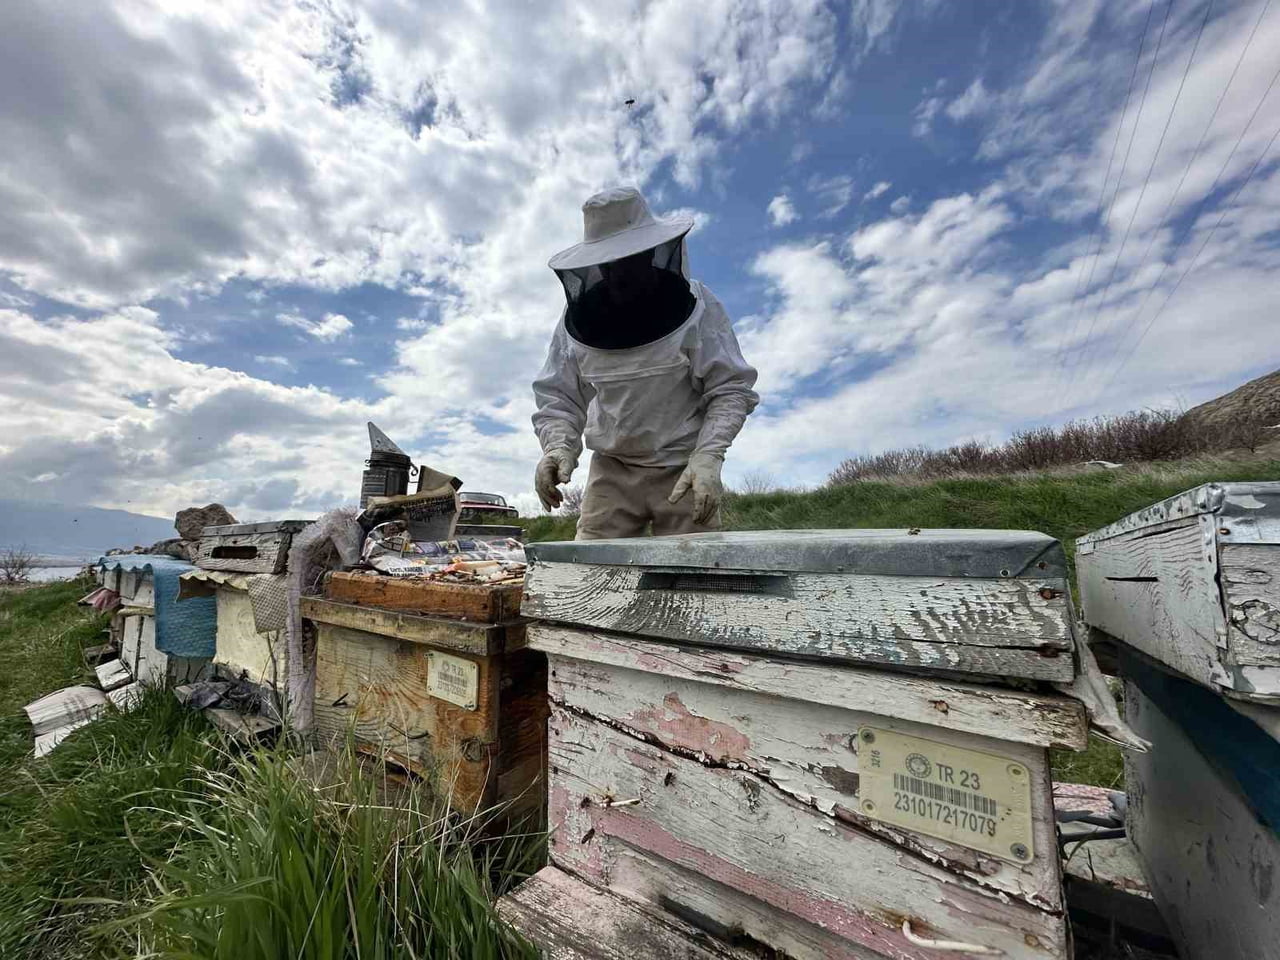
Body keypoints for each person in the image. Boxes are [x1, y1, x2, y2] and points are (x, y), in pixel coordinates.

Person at [531, 187, 759, 539]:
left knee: (695, 579)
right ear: (597, 266)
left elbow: (729, 388)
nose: (620, 273)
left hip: (683, 468)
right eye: (610, 264)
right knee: (592, 576)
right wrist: (557, 447)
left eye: (630, 260)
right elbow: (559, 397)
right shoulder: (575, 322)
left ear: (652, 254)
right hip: (613, 470)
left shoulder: (699, 307)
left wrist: (709, 456)